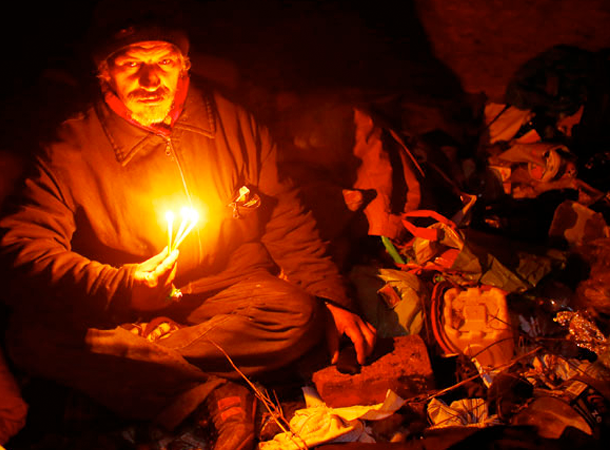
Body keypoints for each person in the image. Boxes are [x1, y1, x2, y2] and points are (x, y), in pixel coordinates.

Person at [0, 10, 376, 450]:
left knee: (298, 314)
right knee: (30, 339)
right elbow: (21, 249)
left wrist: (331, 297)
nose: (149, 78)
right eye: (130, 64)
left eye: (162, 61)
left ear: (184, 66)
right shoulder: (69, 147)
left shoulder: (234, 124)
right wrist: (122, 286)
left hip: (221, 289)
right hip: (122, 304)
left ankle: (129, 374)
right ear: (105, 74)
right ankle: (214, 396)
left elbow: (283, 214)